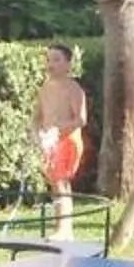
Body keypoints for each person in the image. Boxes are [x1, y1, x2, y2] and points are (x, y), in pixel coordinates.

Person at [33, 43, 89, 239]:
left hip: (67, 140)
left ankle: (63, 229)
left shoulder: (73, 89)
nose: (51, 64)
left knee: (59, 182)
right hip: (50, 142)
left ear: (68, 64)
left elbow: (81, 119)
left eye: (56, 60)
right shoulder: (45, 89)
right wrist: (37, 135)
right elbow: (37, 117)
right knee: (56, 184)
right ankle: (65, 228)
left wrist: (58, 130)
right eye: (48, 60)